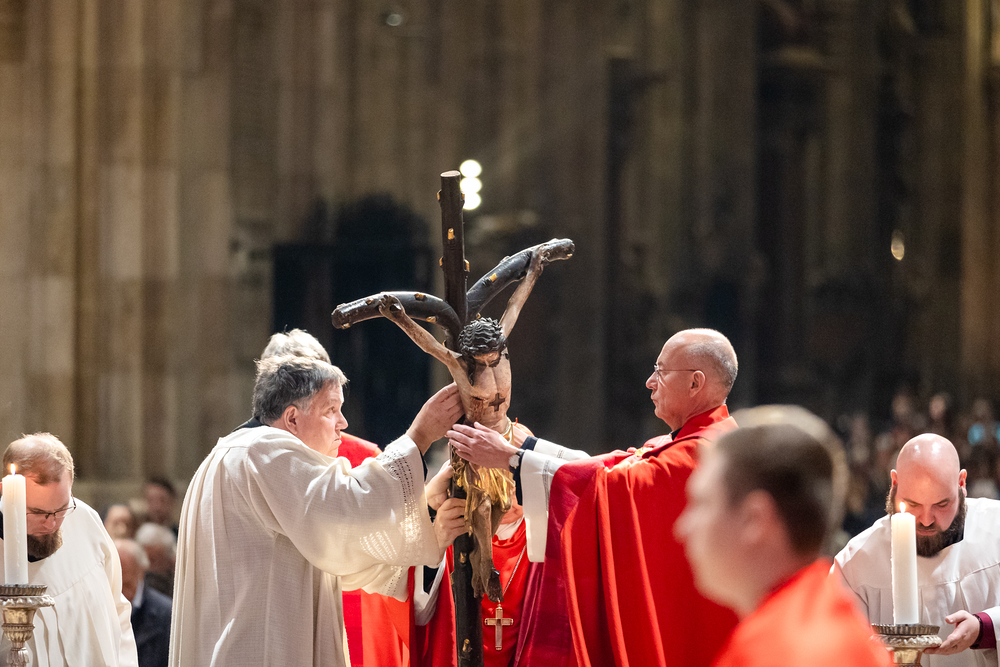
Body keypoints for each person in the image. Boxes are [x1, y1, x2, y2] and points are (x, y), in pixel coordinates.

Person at [450, 328, 741, 667]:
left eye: (661, 371)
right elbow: (609, 464)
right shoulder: (685, 442)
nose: (650, 382)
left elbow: (609, 486)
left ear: (695, 383)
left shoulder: (698, 455)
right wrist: (523, 446)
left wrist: (510, 459)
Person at [169, 355, 465, 667]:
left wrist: (427, 510)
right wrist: (419, 436)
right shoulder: (262, 451)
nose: (343, 423)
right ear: (292, 419)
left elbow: (339, 555)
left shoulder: (233, 453)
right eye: (330, 410)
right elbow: (348, 509)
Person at [675, 405, 890, 666]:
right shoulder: (820, 621)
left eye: (702, 503)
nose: (682, 528)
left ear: (755, 519)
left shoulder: (778, 653)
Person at [834, 433, 1000, 666]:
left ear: (961, 483)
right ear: (894, 483)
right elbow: (829, 647)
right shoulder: (856, 562)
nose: (926, 519)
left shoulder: (995, 528)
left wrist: (986, 627)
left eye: (942, 504)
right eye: (913, 504)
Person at [0, 433, 138, 666]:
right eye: (38, 512)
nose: (52, 524)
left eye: (62, 508)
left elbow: (118, 611)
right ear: (7, 491)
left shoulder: (85, 520)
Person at [118, 538, 171, 667]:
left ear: (140, 572)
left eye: (126, 584)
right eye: (114, 585)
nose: (120, 594)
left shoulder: (166, 614)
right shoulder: (96, 609)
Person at [135, 522, 176, 598]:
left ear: (169, 561)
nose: (147, 566)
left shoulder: (177, 584)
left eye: (153, 560)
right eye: (144, 559)